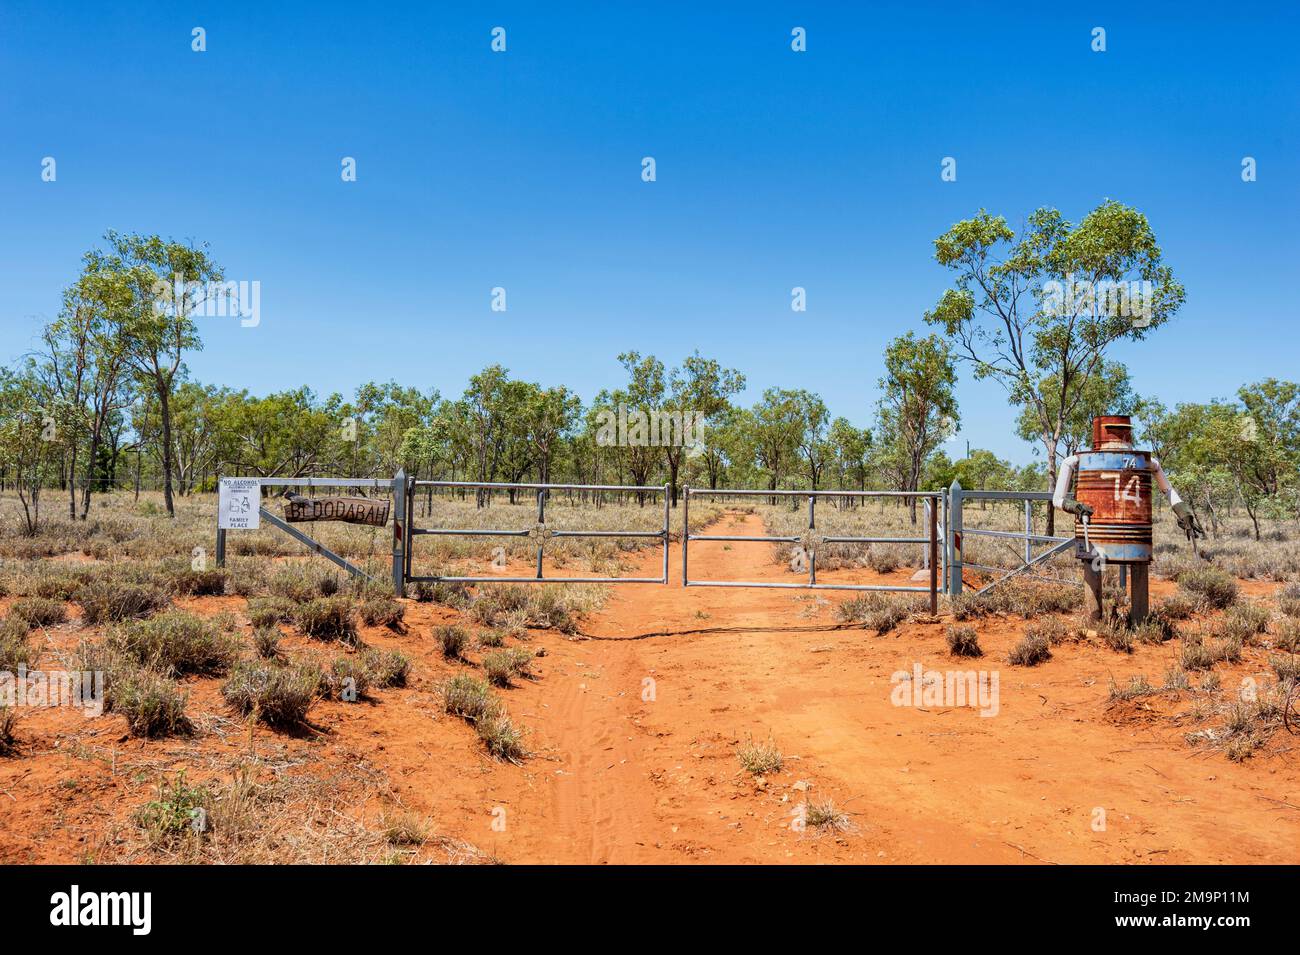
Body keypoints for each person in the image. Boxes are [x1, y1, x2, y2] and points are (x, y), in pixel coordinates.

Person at [1052, 451, 1206, 541]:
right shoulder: (1080, 459)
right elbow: (1057, 500)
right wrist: (1075, 506)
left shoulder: (1146, 461)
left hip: (1135, 540)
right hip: (1103, 538)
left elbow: (1167, 489)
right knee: (1095, 569)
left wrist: (1183, 513)